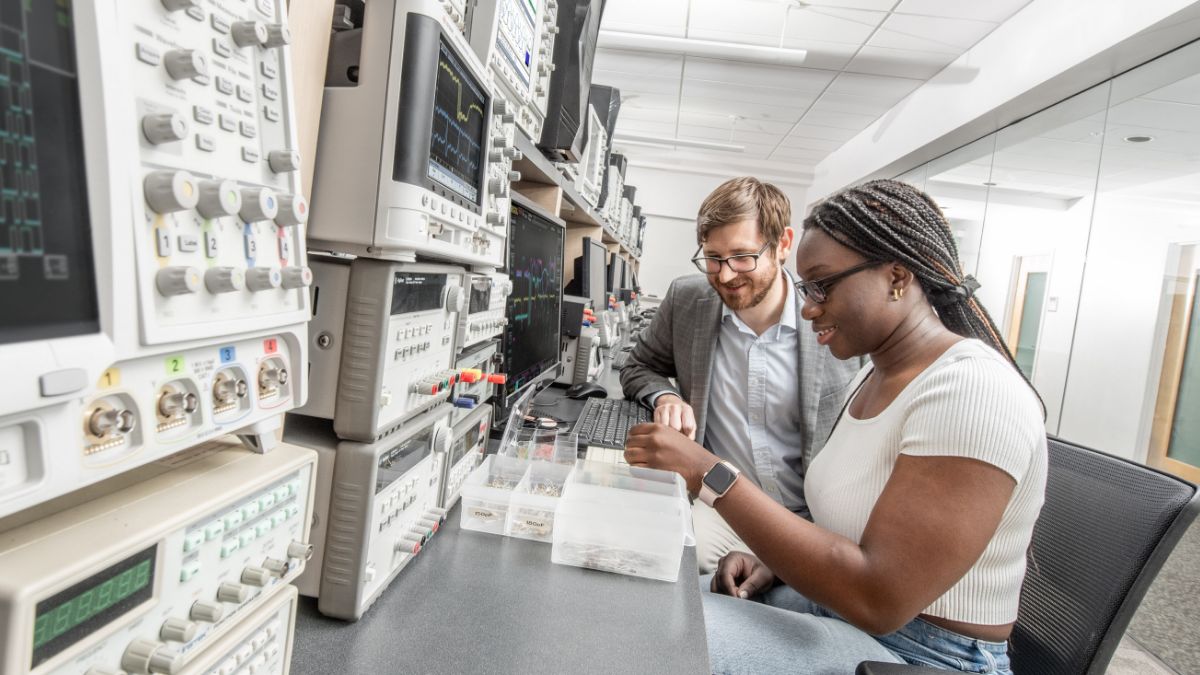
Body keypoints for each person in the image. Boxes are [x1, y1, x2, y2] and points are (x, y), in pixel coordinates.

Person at [624, 179, 1048, 673]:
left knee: (645, 642)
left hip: (916, 652)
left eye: (823, 285)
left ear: (897, 276)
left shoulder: (971, 390)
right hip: (831, 607)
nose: (807, 307)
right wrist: (774, 564)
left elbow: (879, 598)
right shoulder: (874, 376)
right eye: (806, 288)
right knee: (633, 602)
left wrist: (708, 472)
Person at [619, 176, 862, 573]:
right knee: (649, 562)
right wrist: (665, 397)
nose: (726, 275)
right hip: (719, 509)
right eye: (713, 258)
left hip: (808, 520)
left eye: (742, 256)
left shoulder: (836, 322)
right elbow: (637, 365)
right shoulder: (687, 300)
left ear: (783, 244)